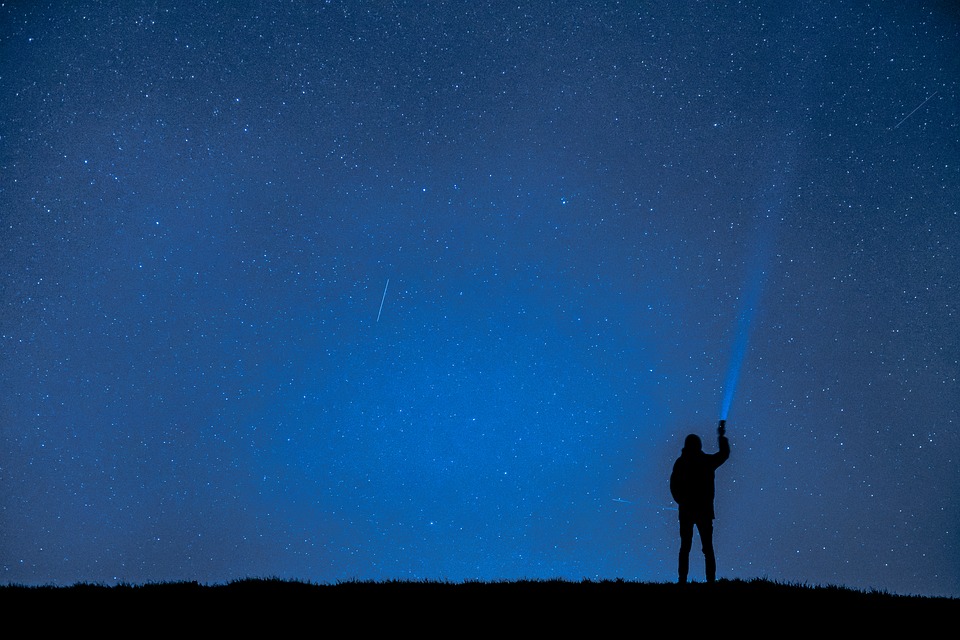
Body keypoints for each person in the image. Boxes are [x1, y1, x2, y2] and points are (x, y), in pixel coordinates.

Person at [669, 420, 730, 583]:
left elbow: (673, 485)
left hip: (688, 510)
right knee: (706, 549)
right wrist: (721, 437)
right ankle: (710, 581)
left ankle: (683, 580)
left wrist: (681, 501)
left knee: (686, 548)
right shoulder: (705, 462)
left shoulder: (681, 462)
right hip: (702, 510)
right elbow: (723, 454)